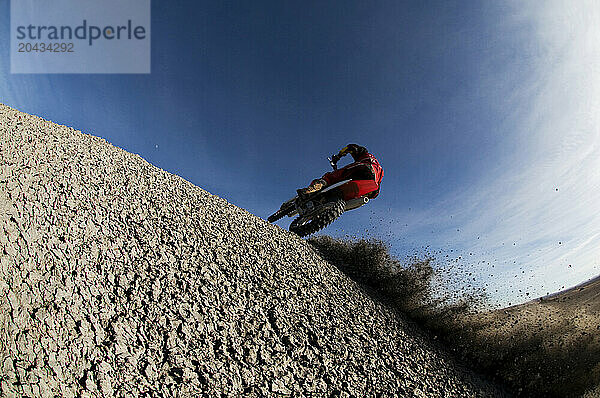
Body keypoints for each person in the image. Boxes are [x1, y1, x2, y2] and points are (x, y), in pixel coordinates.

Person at [298, 144, 384, 200]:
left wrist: (338, 156)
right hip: (372, 185)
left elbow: (350, 147)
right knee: (346, 187)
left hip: (365, 168)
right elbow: (377, 186)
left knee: (332, 176)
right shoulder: (380, 170)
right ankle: (334, 201)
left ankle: (310, 191)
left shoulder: (365, 155)